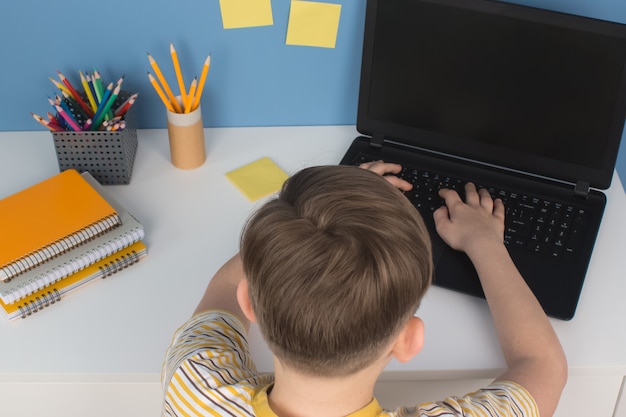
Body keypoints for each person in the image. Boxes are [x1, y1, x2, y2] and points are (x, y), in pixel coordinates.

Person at [161, 161, 567, 417]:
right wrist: (484, 243)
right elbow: (543, 364)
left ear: (250, 301)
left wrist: (340, 202)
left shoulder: (193, 387)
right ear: (409, 341)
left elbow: (224, 287)